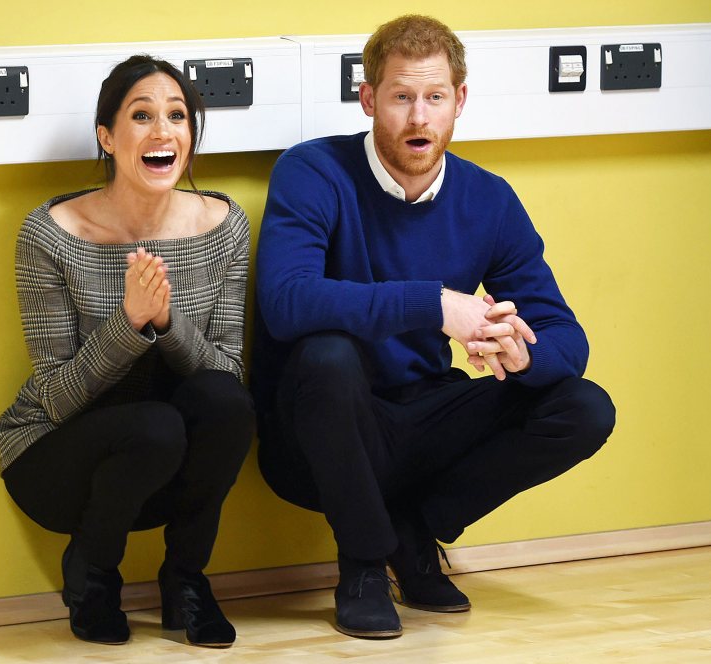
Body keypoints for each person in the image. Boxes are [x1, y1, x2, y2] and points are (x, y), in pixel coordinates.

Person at [252, 15, 616, 639]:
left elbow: (565, 336)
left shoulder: (488, 199)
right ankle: (364, 564)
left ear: (459, 102)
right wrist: (436, 305)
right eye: (400, 97)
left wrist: (522, 353)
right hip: (317, 434)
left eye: (434, 97)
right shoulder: (312, 172)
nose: (418, 117)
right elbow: (286, 301)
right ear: (368, 99)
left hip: (423, 418)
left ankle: (413, 530)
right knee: (328, 356)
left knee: (583, 407)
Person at [0, 55, 254, 648]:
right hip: (56, 458)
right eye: (142, 115)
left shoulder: (224, 226)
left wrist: (165, 320)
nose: (163, 131)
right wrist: (130, 322)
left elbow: (229, 376)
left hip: (167, 458)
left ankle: (185, 581)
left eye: (177, 116)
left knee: (226, 403)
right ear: (108, 137)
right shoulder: (51, 234)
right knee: (156, 425)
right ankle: (92, 577)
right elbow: (57, 398)